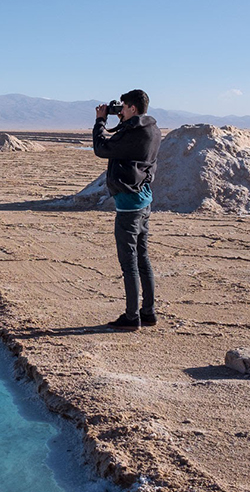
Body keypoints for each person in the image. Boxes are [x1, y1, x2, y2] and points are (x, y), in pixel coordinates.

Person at [93, 89, 161, 331]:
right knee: (142, 259)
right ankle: (149, 312)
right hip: (144, 201)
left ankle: (132, 317)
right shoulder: (150, 129)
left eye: (122, 107)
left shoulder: (133, 133)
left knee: (129, 263)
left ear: (133, 108)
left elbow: (101, 148)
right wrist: (120, 121)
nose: (119, 111)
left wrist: (101, 120)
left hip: (129, 207)